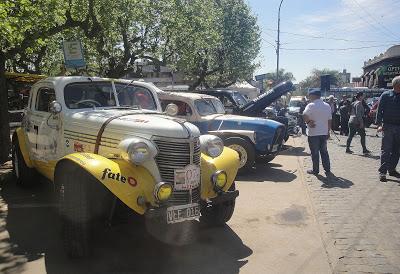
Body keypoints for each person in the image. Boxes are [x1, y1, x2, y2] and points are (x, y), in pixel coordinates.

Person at [302, 89, 333, 177]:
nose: (309, 97)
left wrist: (308, 122)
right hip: (323, 132)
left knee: (315, 152)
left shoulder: (311, 105)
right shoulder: (327, 105)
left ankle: (315, 170)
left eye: (309, 95)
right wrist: (328, 131)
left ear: (313, 96)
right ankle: (327, 169)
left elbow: (304, 115)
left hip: (313, 133)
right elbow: (329, 120)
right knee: (324, 151)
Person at [376, 76, 400, 182]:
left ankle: (392, 169)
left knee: (397, 151)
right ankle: (382, 172)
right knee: (386, 150)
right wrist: (379, 124)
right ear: (397, 85)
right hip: (388, 126)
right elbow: (379, 110)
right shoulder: (386, 95)